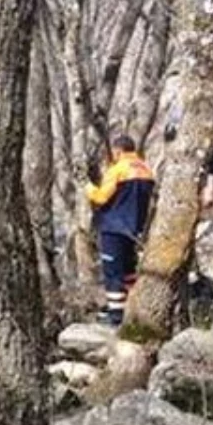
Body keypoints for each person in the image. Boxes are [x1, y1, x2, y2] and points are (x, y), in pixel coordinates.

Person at [86, 135, 156, 326]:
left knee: (113, 272)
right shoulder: (146, 170)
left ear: (118, 150)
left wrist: (88, 188)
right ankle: (132, 309)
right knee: (129, 272)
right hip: (134, 229)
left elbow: (101, 197)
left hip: (113, 228)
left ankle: (116, 315)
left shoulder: (117, 170)